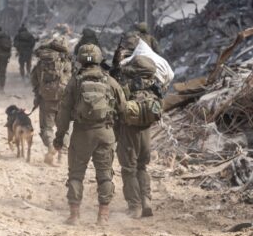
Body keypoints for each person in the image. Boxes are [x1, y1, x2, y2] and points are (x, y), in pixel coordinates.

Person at [53, 44, 127, 224]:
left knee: (76, 175)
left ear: (79, 59)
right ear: (99, 58)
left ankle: (74, 215)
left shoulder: (75, 82)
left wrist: (60, 136)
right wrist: (115, 131)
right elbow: (123, 108)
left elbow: (63, 112)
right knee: (105, 175)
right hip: (105, 133)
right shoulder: (109, 81)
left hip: (81, 134)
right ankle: (103, 216)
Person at [115, 54, 161, 218]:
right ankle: (146, 201)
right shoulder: (152, 84)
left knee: (129, 169)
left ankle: (134, 207)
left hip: (129, 131)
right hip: (146, 131)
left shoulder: (126, 82)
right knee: (142, 167)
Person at [30, 35, 72, 165]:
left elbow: (34, 78)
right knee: (63, 128)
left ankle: (50, 146)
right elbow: (73, 80)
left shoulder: (42, 61)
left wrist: (39, 92)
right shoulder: (66, 62)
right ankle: (62, 153)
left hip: (46, 99)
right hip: (63, 99)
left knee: (46, 127)